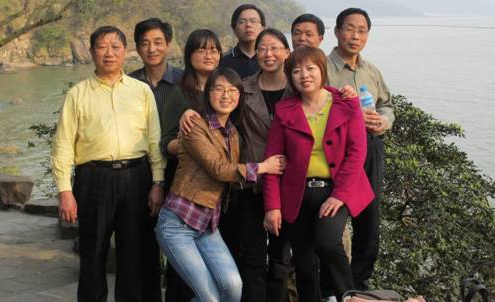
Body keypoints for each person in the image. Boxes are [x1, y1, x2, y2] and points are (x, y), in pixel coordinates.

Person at [52, 26, 165, 302]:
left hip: (136, 177)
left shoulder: (141, 91)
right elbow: (63, 144)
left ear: (125, 51)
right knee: (93, 253)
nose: (109, 53)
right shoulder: (78, 94)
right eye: (102, 47)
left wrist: (158, 182)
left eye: (115, 47)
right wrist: (65, 190)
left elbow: (154, 141)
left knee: (134, 255)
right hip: (93, 179)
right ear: (92, 52)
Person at [155, 68, 286, 302]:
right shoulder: (196, 126)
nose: (226, 95)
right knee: (210, 297)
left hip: (207, 224)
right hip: (178, 223)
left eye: (233, 90)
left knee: (233, 287)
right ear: (208, 94)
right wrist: (263, 167)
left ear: (240, 97)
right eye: (219, 89)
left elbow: (232, 176)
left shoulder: (233, 133)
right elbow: (219, 169)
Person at [263, 46, 374, 302]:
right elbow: (272, 161)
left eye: (310, 68)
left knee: (327, 243)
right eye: (297, 71)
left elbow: (357, 153)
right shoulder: (284, 110)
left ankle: (350, 297)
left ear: (322, 71)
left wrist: (339, 195)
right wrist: (272, 206)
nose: (304, 75)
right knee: (304, 261)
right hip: (297, 193)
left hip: (334, 191)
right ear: (290, 77)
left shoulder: (346, 103)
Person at [326, 8, 395, 291]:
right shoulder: (322, 68)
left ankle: (360, 284)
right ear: (337, 31)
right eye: (349, 28)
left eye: (362, 30)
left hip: (370, 148)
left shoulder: (371, 71)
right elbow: (312, 108)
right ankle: (332, 286)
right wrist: (352, 117)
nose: (355, 36)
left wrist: (383, 121)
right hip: (336, 152)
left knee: (369, 219)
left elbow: (386, 104)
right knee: (331, 220)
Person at [160, 28, 223, 302]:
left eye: (214, 50)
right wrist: (193, 145)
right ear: (189, 55)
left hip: (219, 189)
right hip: (187, 189)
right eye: (201, 49)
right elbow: (165, 143)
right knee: (183, 268)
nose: (209, 55)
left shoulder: (225, 91)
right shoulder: (180, 94)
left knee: (216, 264)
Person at [236, 28, 294, 302]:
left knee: (282, 256)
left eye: (274, 48)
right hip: (253, 181)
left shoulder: (299, 88)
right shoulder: (243, 88)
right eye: (262, 49)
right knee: (252, 254)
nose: (268, 54)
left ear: (287, 53)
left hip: (289, 184)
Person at [128, 17, 182, 301]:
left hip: (178, 171)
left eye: (158, 42)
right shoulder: (128, 84)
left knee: (178, 244)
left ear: (168, 45)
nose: (152, 48)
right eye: (145, 43)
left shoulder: (183, 81)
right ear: (137, 48)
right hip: (140, 171)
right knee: (142, 243)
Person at [220, 4, 266, 78]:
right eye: (242, 22)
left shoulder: (269, 58)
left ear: (262, 28)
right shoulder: (224, 62)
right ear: (234, 29)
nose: (248, 25)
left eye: (253, 21)